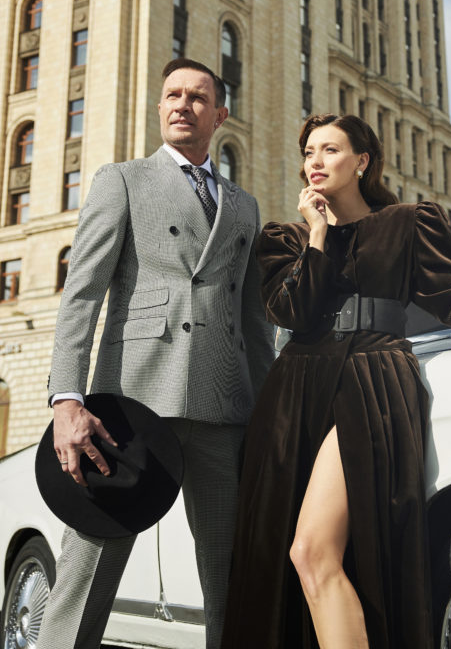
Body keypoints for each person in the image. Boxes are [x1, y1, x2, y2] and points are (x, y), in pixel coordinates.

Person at [220, 113, 451, 649]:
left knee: (311, 550)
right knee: (283, 558)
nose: (315, 162)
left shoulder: (410, 223)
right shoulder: (286, 237)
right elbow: (292, 312)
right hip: (294, 391)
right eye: (308, 152)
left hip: (371, 379)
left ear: (362, 161)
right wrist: (319, 236)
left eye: (330, 150)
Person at [38, 58, 274, 649]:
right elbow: (82, 294)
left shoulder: (244, 206)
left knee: (232, 578)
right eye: (172, 94)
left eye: (197, 97)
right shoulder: (122, 180)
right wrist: (67, 398)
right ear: (160, 105)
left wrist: (266, 414)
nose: (182, 105)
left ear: (220, 115)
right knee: (88, 568)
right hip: (130, 407)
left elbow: (254, 322)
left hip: (223, 409)